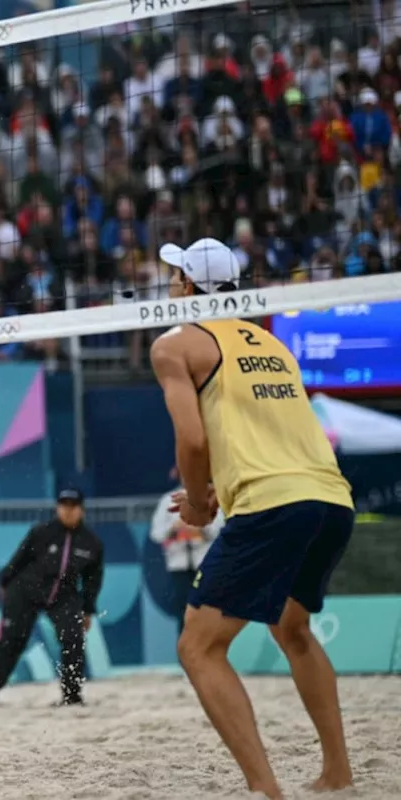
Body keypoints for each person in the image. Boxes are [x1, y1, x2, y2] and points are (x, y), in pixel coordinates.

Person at [151, 237, 356, 799]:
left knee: (197, 646)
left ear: (189, 288)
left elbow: (191, 440)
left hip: (274, 505)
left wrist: (197, 499)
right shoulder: (271, 343)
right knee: (293, 628)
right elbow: (254, 432)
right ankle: (338, 773)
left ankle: (267, 790)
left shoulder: (175, 344)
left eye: (175, 276)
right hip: (332, 499)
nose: (169, 284)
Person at [0, 488, 105, 708]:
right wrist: (5, 582)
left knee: (73, 637)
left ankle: (72, 696)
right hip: (26, 592)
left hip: (64, 595)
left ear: (81, 509)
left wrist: (88, 609)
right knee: (12, 640)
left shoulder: (92, 543)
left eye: (73, 506)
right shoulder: (42, 532)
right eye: (63, 505)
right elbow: (19, 559)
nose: (68, 511)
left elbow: (93, 580)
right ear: (57, 508)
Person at [149, 466, 224, 634]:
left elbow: (220, 529)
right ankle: (185, 655)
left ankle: (207, 651)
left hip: (204, 564)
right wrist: (174, 528)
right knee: (183, 611)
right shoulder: (168, 500)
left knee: (207, 609)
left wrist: (200, 527)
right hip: (179, 565)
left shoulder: (210, 498)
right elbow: (156, 533)